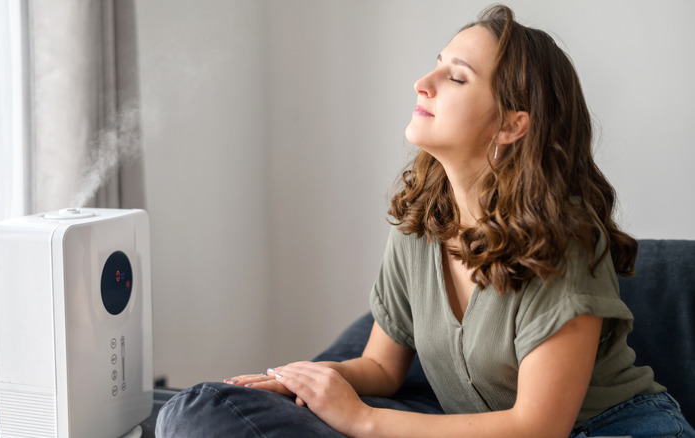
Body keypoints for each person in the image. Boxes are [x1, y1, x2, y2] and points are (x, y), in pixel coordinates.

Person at [156, 5, 694, 437]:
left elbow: (539, 426)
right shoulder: (420, 227)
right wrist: (306, 379)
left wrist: (362, 420)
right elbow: (383, 369)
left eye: (455, 77)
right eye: (436, 63)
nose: (423, 82)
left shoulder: (563, 243)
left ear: (511, 124)